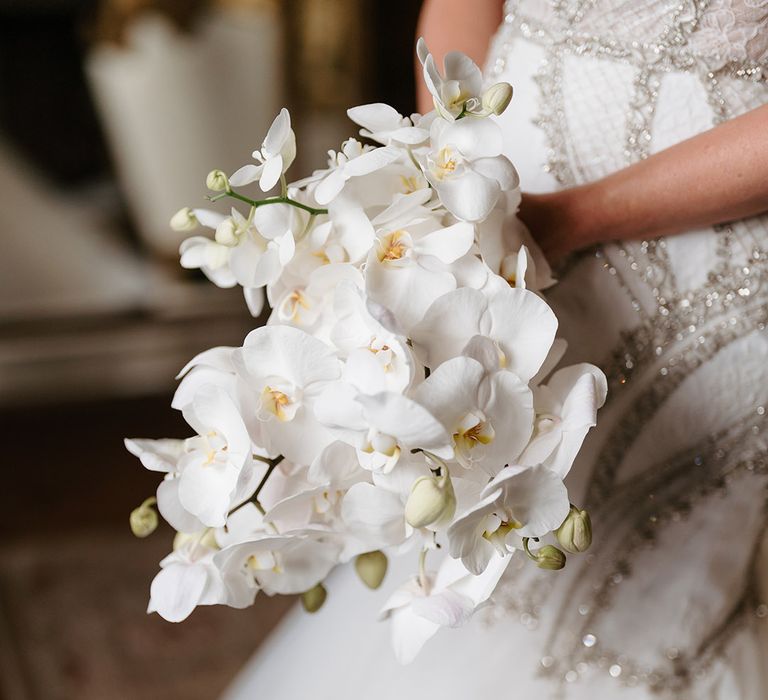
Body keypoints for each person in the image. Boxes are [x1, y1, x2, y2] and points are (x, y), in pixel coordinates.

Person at [223, 2, 768, 697]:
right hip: (486, 217)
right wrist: (443, 187)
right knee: (470, 531)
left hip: (704, 265)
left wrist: (572, 216)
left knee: (644, 567)